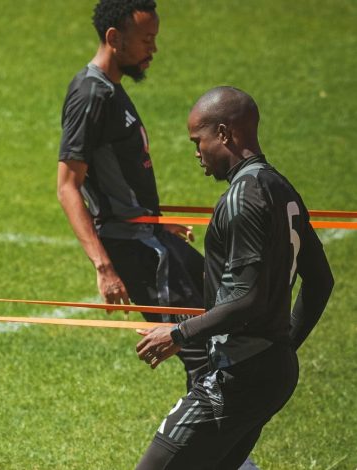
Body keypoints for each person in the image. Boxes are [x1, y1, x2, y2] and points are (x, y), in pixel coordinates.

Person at [135, 86, 334, 468]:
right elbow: (321, 281)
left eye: (199, 140)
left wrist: (178, 334)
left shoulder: (244, 196)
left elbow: (247, 299)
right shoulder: (280, 187)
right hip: (270, 371)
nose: (196, 152)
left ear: (225, 134)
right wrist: (282, 347)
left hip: (238, 377)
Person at [57, 0, 208, 389]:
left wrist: (153, 217)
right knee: (201, 351)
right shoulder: (91, 95)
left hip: (148, 236)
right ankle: (214, 450)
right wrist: (104, 267)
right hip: (135, 250)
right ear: (114, 38)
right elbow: (67, 186)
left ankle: (223, 449)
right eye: (146, 39)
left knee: (221, 313)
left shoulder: (112, 90)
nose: (153, 49)